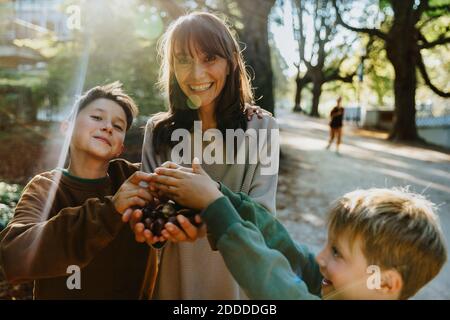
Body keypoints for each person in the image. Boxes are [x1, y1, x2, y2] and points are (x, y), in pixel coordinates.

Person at [145, 160, 447, 300]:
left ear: (384, 282)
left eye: (338, 253)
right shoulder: (344, 289)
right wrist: (226, 198)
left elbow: (272, 281)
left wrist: (216, 208)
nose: (321, 257)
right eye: (329, 246)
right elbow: (285, 250)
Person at [136, 12, 279, 299]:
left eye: (209, 58)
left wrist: (207, 201)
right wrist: (152, 228)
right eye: (184, 60)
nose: (197, 73)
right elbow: (149, 213)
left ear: (230, 63)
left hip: (236, 282)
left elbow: (263, 217)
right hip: (176, 283)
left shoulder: (262, 126)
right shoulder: (158, 130)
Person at [0, 82, 159, 299]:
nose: (108, 127)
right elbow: (13, 257)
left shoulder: (136, 179)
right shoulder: (46, 188)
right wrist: (109, 211)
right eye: (97, 117)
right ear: (67, 128)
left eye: (118, 126)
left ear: (120, 147)